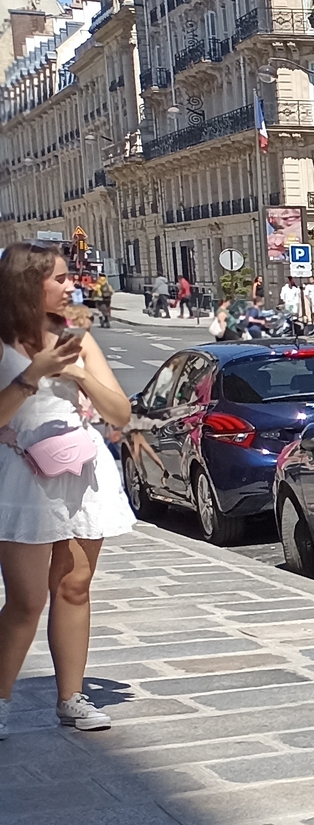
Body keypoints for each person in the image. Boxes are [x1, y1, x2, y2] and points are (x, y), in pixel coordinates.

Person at [0, 241, 135, 735]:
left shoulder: (76, 337)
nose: (69, 286)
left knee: (75, 586)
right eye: (57, 278)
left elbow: (120, 413)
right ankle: (0, 699)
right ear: (27, 282)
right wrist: (34, 375)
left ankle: (71, 698)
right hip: (19, 474)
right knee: (27, 598)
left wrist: (77, 372)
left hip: (79, 469)